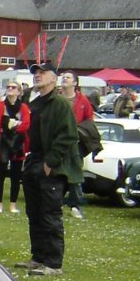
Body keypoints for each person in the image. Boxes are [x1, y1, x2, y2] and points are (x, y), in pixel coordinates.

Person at [18, 62, 81, 276]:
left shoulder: (59, 104)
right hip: (33, 161)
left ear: (53, 78)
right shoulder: (35, 102)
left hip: (50, 165)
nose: (37, 75)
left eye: (42, 73)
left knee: (50, 214)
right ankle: (38, 257)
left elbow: (69, 135)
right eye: (35, 72)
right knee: (34, 213)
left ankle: (53, 263)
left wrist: (50, 162)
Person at [59, 71, 96, 219]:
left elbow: (89, 119)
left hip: (75, 142)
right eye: (63, 78)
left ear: (74, 83)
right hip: (58, 141)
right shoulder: (56, 98)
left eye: (67, 78)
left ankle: (75, 205)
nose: (64, 80)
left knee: (75, 172)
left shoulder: (82, 100)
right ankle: (57, 203)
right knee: (58, 172)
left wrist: (82, 131)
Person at [0, 83, 30, 214]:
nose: (10, 89)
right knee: (0, 174)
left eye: (13, 87)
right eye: (8, 87)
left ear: (19, 92)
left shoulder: (23, 107)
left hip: (18, 143)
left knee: (15, 175)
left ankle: (13, 205)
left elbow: (25, 124)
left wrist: (7, 123)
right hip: (2, 143)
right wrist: (14, 123)